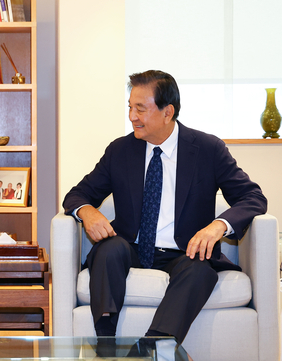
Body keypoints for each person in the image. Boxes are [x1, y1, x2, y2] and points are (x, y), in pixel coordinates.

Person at [63, 70, 267, 355]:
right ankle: (106, 345)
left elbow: (253, 197)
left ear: (167, 112)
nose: (132, 116)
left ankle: (149, 348)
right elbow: (77, 195)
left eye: (141, 109)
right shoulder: (120, 150)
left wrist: (218, 226)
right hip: (129, 247)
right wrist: (87, 212)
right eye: (130, 107)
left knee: (200, 270)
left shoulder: (207, 149)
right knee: (107, 251)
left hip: (184, 251)